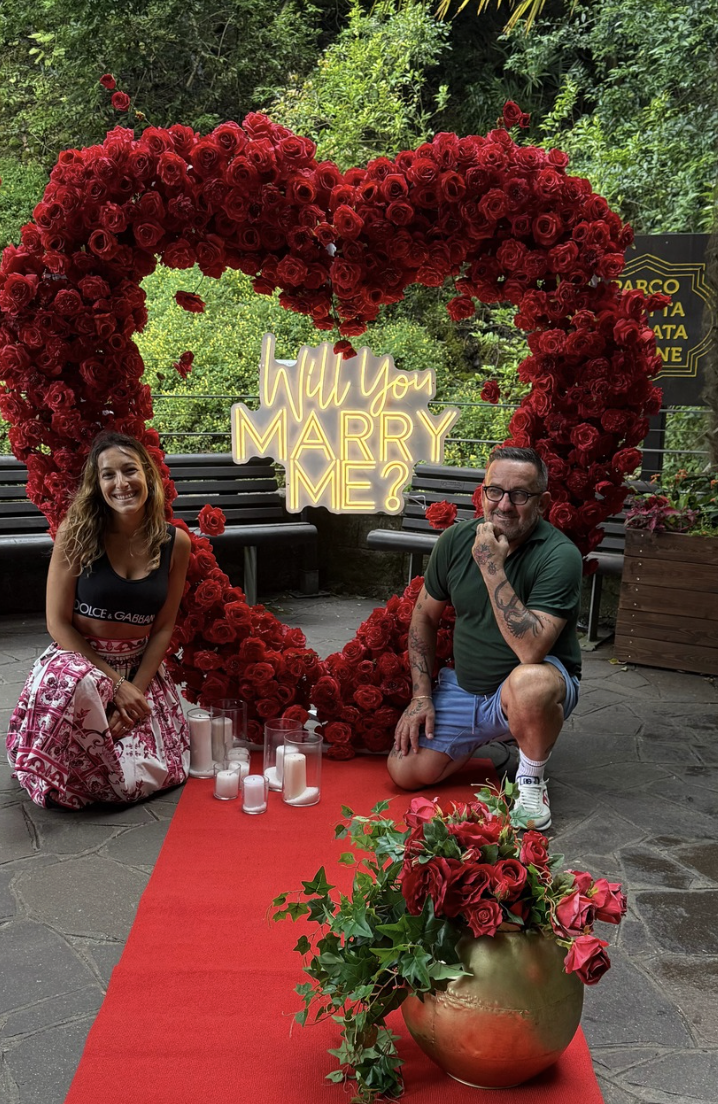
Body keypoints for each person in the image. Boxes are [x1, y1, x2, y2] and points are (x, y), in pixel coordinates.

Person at [388, 446, 583, 830]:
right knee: (404, 772)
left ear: (542, 502)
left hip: (533, 683)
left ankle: (530, 778)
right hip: (467, 689)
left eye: (520, 495)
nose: (504, 505)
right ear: (482, 493)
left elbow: (531, 650)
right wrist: (421, 697)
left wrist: (491, 565)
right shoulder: (454, 540)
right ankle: (487, 735)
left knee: (529, 684)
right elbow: (424, 616)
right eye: (495, 491)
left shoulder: (560, 555)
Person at [7, 432, 192, 809]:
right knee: (79, 691)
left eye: (130, 470)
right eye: (108, 475)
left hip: (138, 670)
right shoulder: (75, 535)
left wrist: (134, 691)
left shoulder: (176, 544)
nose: (121, 483)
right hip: (78, 668)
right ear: (97, 484)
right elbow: (58, 623)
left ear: (148, 476)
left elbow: (163, 627)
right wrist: (114, 685)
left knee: (139, 777)